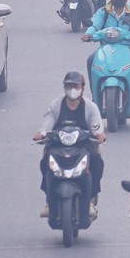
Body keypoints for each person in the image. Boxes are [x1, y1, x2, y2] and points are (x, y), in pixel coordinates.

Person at [36, 71, 106, 219]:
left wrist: (99, 134)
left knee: (96, 159)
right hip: (58, 145)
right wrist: (41, 133)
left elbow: (96, 125)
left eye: (75, 86)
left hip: (83, 146)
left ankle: (90, 200)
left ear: (82, 88)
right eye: (68, 86)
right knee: (46, 161)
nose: (72, 89)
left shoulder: (90, 106)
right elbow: (47, 124)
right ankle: (49, 200)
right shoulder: (55, 105)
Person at [83, 0, 130, 101]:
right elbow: (95, 25)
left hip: (128, 48)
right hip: (105, 48)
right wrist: (88, 34)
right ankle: (95, 95)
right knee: (91, 60)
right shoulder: (103, 11)